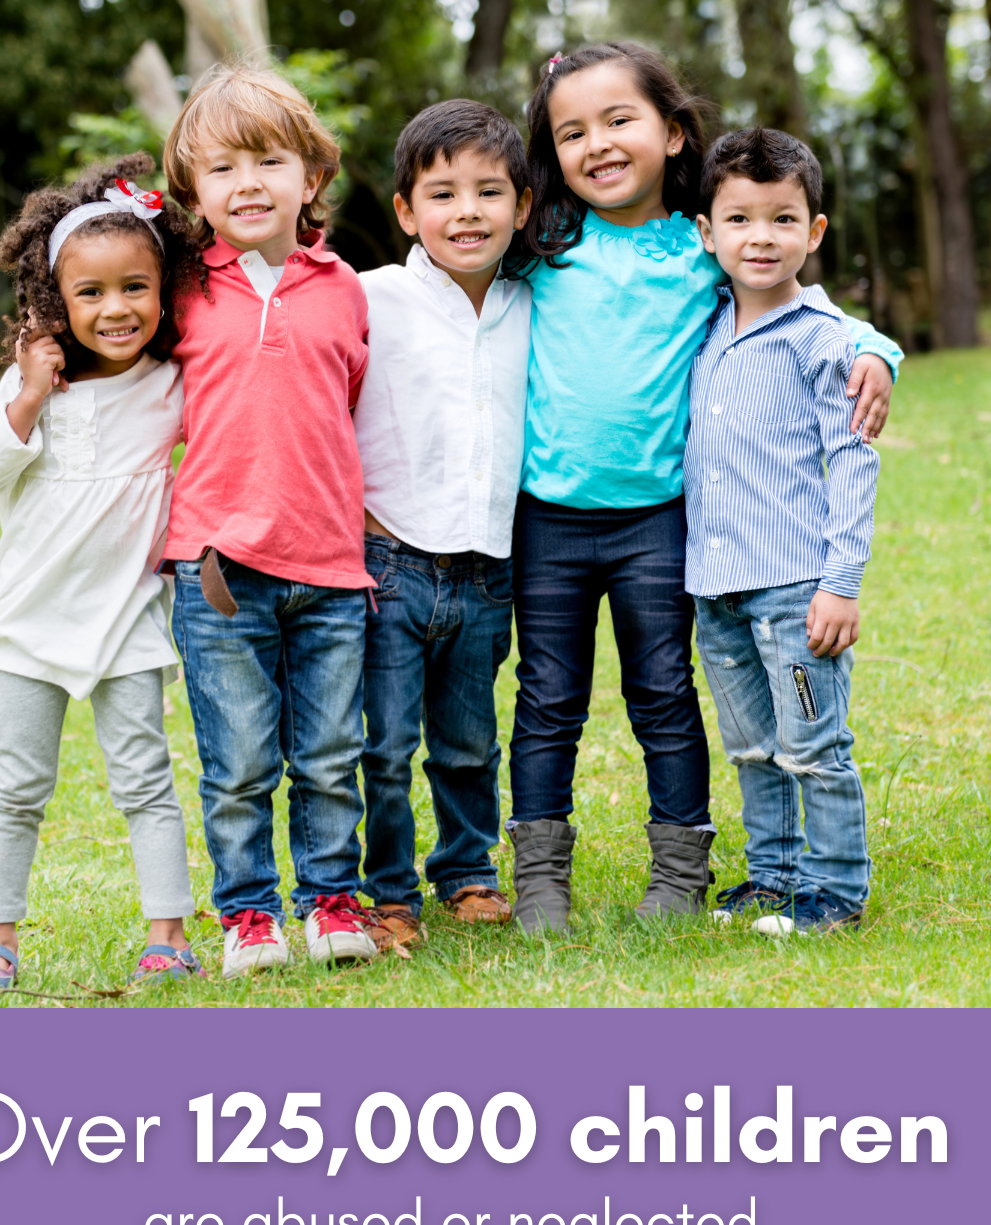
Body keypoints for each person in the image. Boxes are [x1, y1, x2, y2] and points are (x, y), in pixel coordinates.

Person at [502, 43, 902, 931]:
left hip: (659, 524)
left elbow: (800, 301)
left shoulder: (702, 248)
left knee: (664, 694)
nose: (597, 144)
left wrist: (877, 346)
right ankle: (538, 879)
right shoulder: (541, 247)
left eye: (619, 120)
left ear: (674, 133)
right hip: (548, 523)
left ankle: (681, 870)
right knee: (547, 696)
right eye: (572, 132)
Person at [0, 154, 205, 990]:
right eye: (90, 293)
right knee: (17, 785)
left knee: (145, 779)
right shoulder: (32, 388)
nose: (115, 308)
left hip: (126, 617)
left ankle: (167, 934)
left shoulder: (171, 385)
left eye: (134, 287)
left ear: (164, 290)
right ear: (52, 300)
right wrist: (26, 394)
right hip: (30, 621)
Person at [161, 64, 379, 977]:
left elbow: (353, 402)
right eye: (222, 170)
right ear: (194, 192)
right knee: (240, 759)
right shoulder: (180, 293)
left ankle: (330, 900)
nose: (247, 184)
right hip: (218, 568)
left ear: (311, 177)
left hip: (330, 565)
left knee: (331, 754)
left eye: (268, 161)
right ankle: (248, 914)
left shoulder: (344, 288)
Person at [687, 127, 879, 933]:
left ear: (815, 230)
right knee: (752, 746)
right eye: (738, 219)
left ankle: (834, 890)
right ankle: (772, 874)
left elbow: (855, 463)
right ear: (707, 232)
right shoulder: (700, 327)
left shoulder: (825, 341)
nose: (759, 238)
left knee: (812, 744)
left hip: (794, 588)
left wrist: (839, 583)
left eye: (781, 219)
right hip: (715, 589)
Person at [352, 100, 532, 953]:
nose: (467, 212)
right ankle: (385, 890)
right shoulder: (370, 298)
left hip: (488, 565)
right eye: (443, 193)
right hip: (388, 558)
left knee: (467, 739)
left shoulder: (534, 306)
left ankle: (466, 870)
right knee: (382, 744)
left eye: (489, 192)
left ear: (523, 206)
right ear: (405, 210)